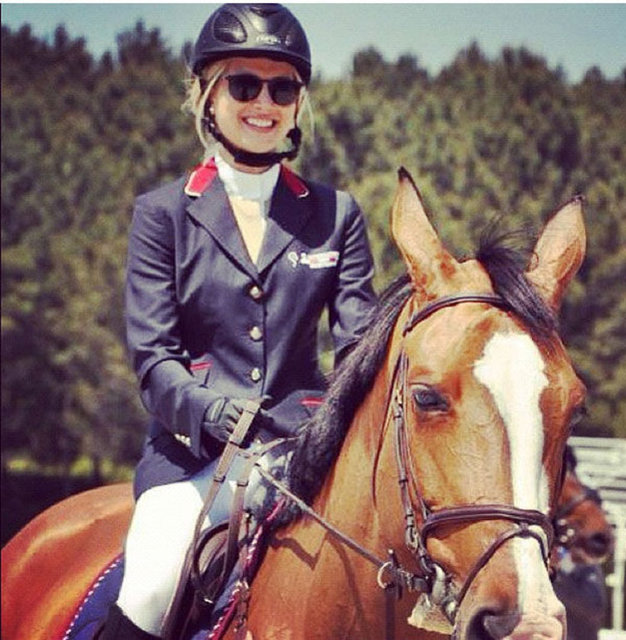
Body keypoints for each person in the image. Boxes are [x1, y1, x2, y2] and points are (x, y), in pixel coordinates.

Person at [100, 4, 377, 639]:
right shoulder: (162, 215)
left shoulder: (337, 215)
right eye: (244, 85)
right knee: (150, 586)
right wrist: (208, 411)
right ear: (207, 93)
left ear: (299, 103)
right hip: (194, 459)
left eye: (283, 88)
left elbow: (359, 348)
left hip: (305, 455)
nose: (264, 103)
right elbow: (154, 358)